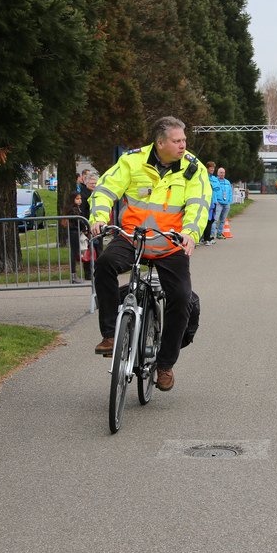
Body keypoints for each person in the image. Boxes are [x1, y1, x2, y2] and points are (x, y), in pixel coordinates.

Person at [89, 116, 210, 392]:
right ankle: (110, 335)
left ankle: (165, 365)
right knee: (105, 264)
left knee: (181, 298)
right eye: (177, 141)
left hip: (170, 244)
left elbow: (199, 203)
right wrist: (99, 217)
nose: (183, 145)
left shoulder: (193, 168)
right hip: (133, 238)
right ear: (160, 143)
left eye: (184, 140)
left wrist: (191, 233)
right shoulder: (132, 161)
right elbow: (105, 189)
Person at [62, 192, 90, 284]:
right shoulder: (73, 209)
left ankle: (73, 274)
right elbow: (78, 219)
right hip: (74, 231)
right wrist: (84, 228)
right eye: (77, 199)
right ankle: (73, 274)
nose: (79, 200)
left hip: (75, 231)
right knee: (74, 253)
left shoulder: (75, 208)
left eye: (80, 199)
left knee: (74, 253)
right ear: (72, 200)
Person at [200, 161, 218, 245]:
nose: (212, 169)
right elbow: (208, 187)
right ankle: (205, 238)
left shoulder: (214, 178)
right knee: (206, 219)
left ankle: (207, 237)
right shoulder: (204, 177)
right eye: (211, 168)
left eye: (213, 168)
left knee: (211, 220)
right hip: (206, 201)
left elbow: (217, 187)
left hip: (213, 201)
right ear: (207, 168)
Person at [212, 167, 232, 239]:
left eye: (223, 173)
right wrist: (215, 201)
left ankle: (219, 233)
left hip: (226, 204)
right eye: (221, 172)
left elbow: (230, 192)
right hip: (219, 204)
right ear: (218, 173)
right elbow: (213, 192)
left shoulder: (227, 182)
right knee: (215, 220)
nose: (222, 174)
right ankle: (212, 234)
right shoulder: (215, 181)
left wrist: (229, 202)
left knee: (222, 220)